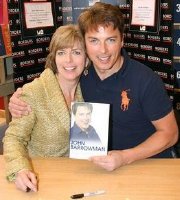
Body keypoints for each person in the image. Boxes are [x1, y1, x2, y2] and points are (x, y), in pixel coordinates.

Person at [8, 2, 178, 171]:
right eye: (94, 41)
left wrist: (125, 157)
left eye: (110, 40)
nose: (103, 50)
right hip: (97, 168)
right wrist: (19, 100)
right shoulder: (82, 75)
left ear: (122, 41)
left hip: (148, 165)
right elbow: (51, 83)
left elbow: (170, 134)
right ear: (86, 44)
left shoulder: (145, 80)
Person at [3, 24, 88, 192]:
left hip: (78, 176)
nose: (68, 60)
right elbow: (13, 138)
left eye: (76, 52)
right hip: (40, 180)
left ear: (87, 59)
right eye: (61, 53)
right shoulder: (34, 92)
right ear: (54, 58)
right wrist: (21, 169)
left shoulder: (89, 90)